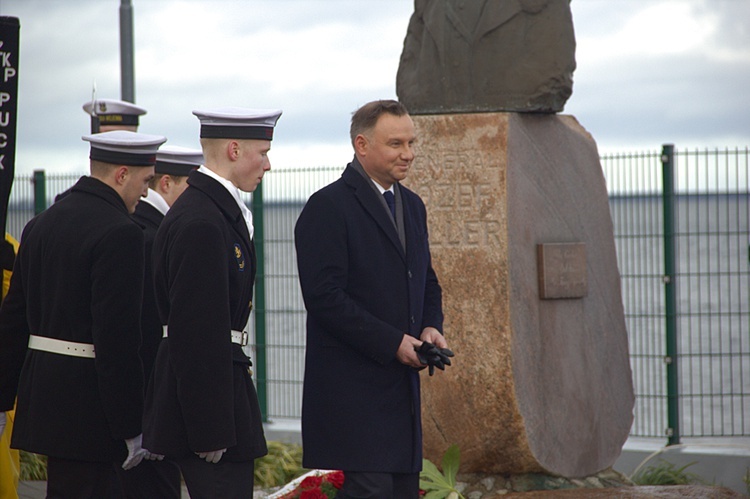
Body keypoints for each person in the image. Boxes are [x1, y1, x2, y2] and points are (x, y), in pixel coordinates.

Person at [294, 99, 449, 498]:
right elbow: (325, 298)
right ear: (362, 145)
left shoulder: (412, 205)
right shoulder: (327, 206)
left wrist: (431, 327)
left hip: (401, 398)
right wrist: (394, 343)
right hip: (354, 397)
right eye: (396, 144)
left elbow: (425, 279)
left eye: (411, 143)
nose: (409, 153)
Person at [0, 130, 166, 498]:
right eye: (145, 180)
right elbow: (118, 340)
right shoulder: (122, 233)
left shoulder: (40, 224)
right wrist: (131, 426)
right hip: (92, 410)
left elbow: (13, 319)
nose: (145, 191)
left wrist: (1, 397)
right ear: (121, 174)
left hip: (45, 398)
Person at [142, 107, 282, 497]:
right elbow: (195, 330)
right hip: (210, 405)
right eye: (263, 152)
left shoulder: (211, 212)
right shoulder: (203, 221)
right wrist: (209, 429)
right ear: (234, 150)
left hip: (218, 393)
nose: (268, 164)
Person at [123, 145, 202, 498]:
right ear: (166, 183)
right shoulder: (151, 236)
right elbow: (145, 331)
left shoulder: (147, 228)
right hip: (148, 401)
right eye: (192, 187)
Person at [55, 98, 149, 203]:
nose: (107, 147)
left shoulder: (144, 200)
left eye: (116, 138)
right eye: (102, 139)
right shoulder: (67, 200)